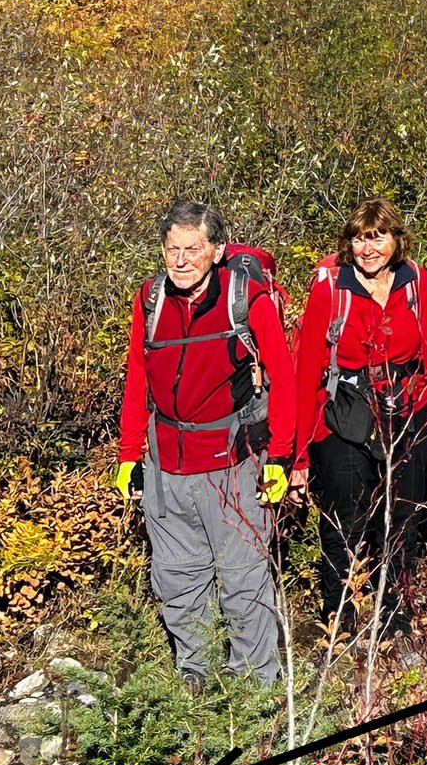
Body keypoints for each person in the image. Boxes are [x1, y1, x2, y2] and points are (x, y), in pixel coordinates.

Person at [113, 202, 295, 684]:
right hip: (167, 466)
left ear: (216, 251)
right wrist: (129, 454)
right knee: (177, 578)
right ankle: (195, 680)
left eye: (193, 249)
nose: (180, 260)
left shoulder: (246, 299)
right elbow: (138, 380)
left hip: (233, 463)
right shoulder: (150, 301)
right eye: (172, 249)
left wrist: (280, 457)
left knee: (243, 581)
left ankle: (255, 690)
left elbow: (285, 378)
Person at [290, 200, 427, 640]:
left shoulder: (418, 282)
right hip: (343, 414)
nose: (368, 248)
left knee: (400, 521)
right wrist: (300, 455)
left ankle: (394, 623)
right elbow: (307, 369)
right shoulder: (331, 288)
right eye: (360, 238)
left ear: (396, 240)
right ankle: (339, 622)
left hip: (405, 412)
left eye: (378, 237)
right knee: (344, 520)